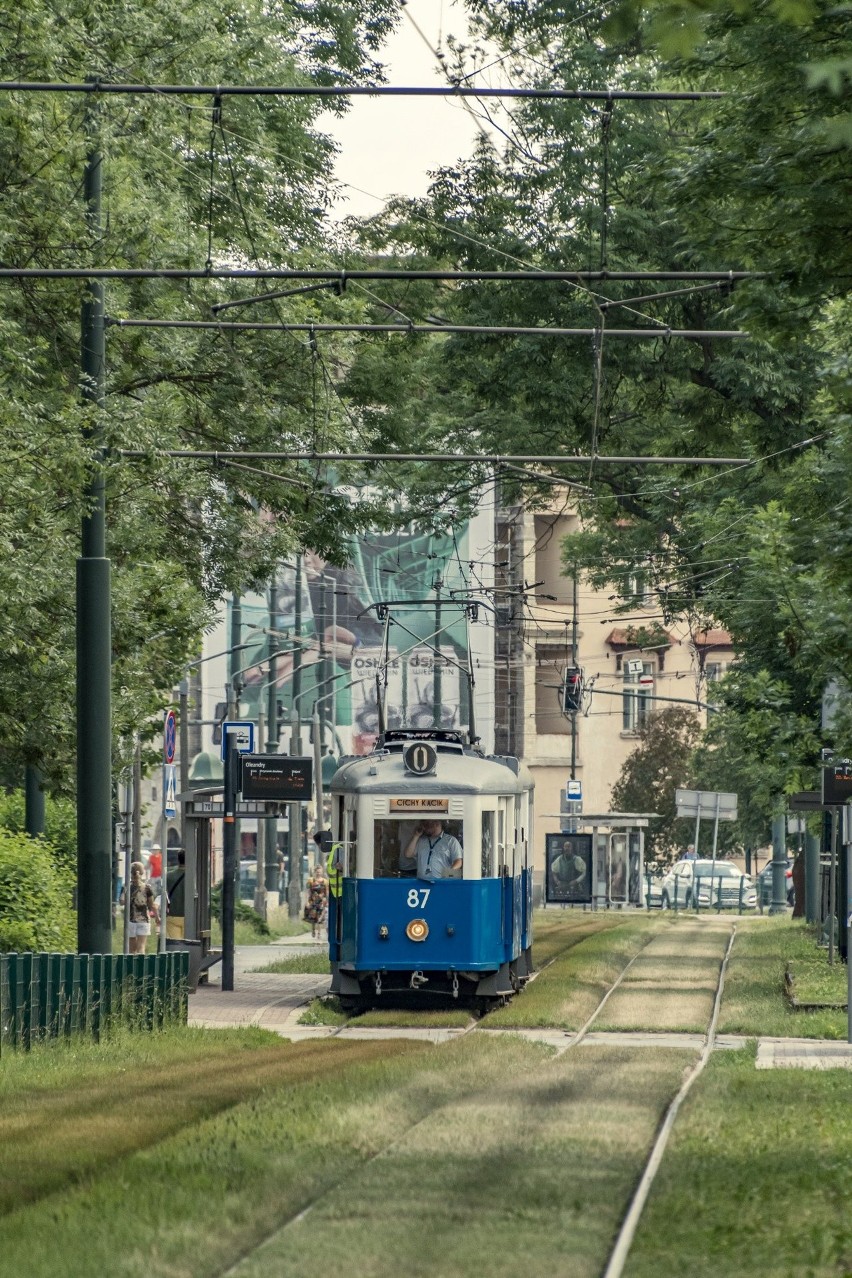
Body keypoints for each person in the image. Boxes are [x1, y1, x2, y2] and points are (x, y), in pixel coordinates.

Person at [119, 860, 160, 955]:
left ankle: (130, 968)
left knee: (131, 950)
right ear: (142, 873)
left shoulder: (126, 886)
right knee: (141, 947)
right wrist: (157, 917)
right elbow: (152, 905)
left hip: (130, 919)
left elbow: (121, 902)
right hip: (144, 920)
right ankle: (140, 968)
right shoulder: (147, 887)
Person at [303, 863, 329, 939]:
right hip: (313, 900)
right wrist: (307, 901)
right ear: (315, 872)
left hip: (321, 901)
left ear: (322, 872)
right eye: (317, 872)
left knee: (320, 918)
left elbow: (326, 892)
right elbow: (308, 891)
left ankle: (319, 933)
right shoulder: (310, 881)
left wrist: (327, 901)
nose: (318, 873)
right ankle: (313, 929)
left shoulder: (325, 881)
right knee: (313, 917)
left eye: (320, 872)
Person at [166, 850, 186, 940]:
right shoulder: (193, 876)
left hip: (173, 915)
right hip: (189, 916)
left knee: (177, 946)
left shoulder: (169, 876)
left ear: (178, 860)